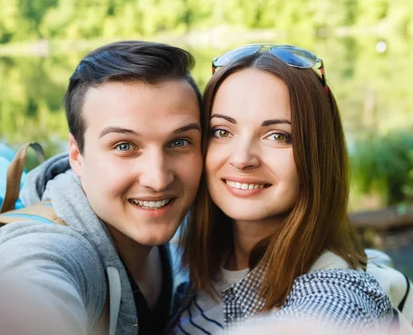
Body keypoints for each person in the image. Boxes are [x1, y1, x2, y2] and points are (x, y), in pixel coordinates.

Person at [0, 41, 203, 335]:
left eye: (179, 142)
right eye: (124, 146)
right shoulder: (46, 248)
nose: (158, 179)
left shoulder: (197, 218)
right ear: (76, 156)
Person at [169, 44, 394, 334]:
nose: (241, 159)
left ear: (317, 154)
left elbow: (332, 314)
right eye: (222, 131)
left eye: (277, 136)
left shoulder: (334, 288)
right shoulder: (194, 250)